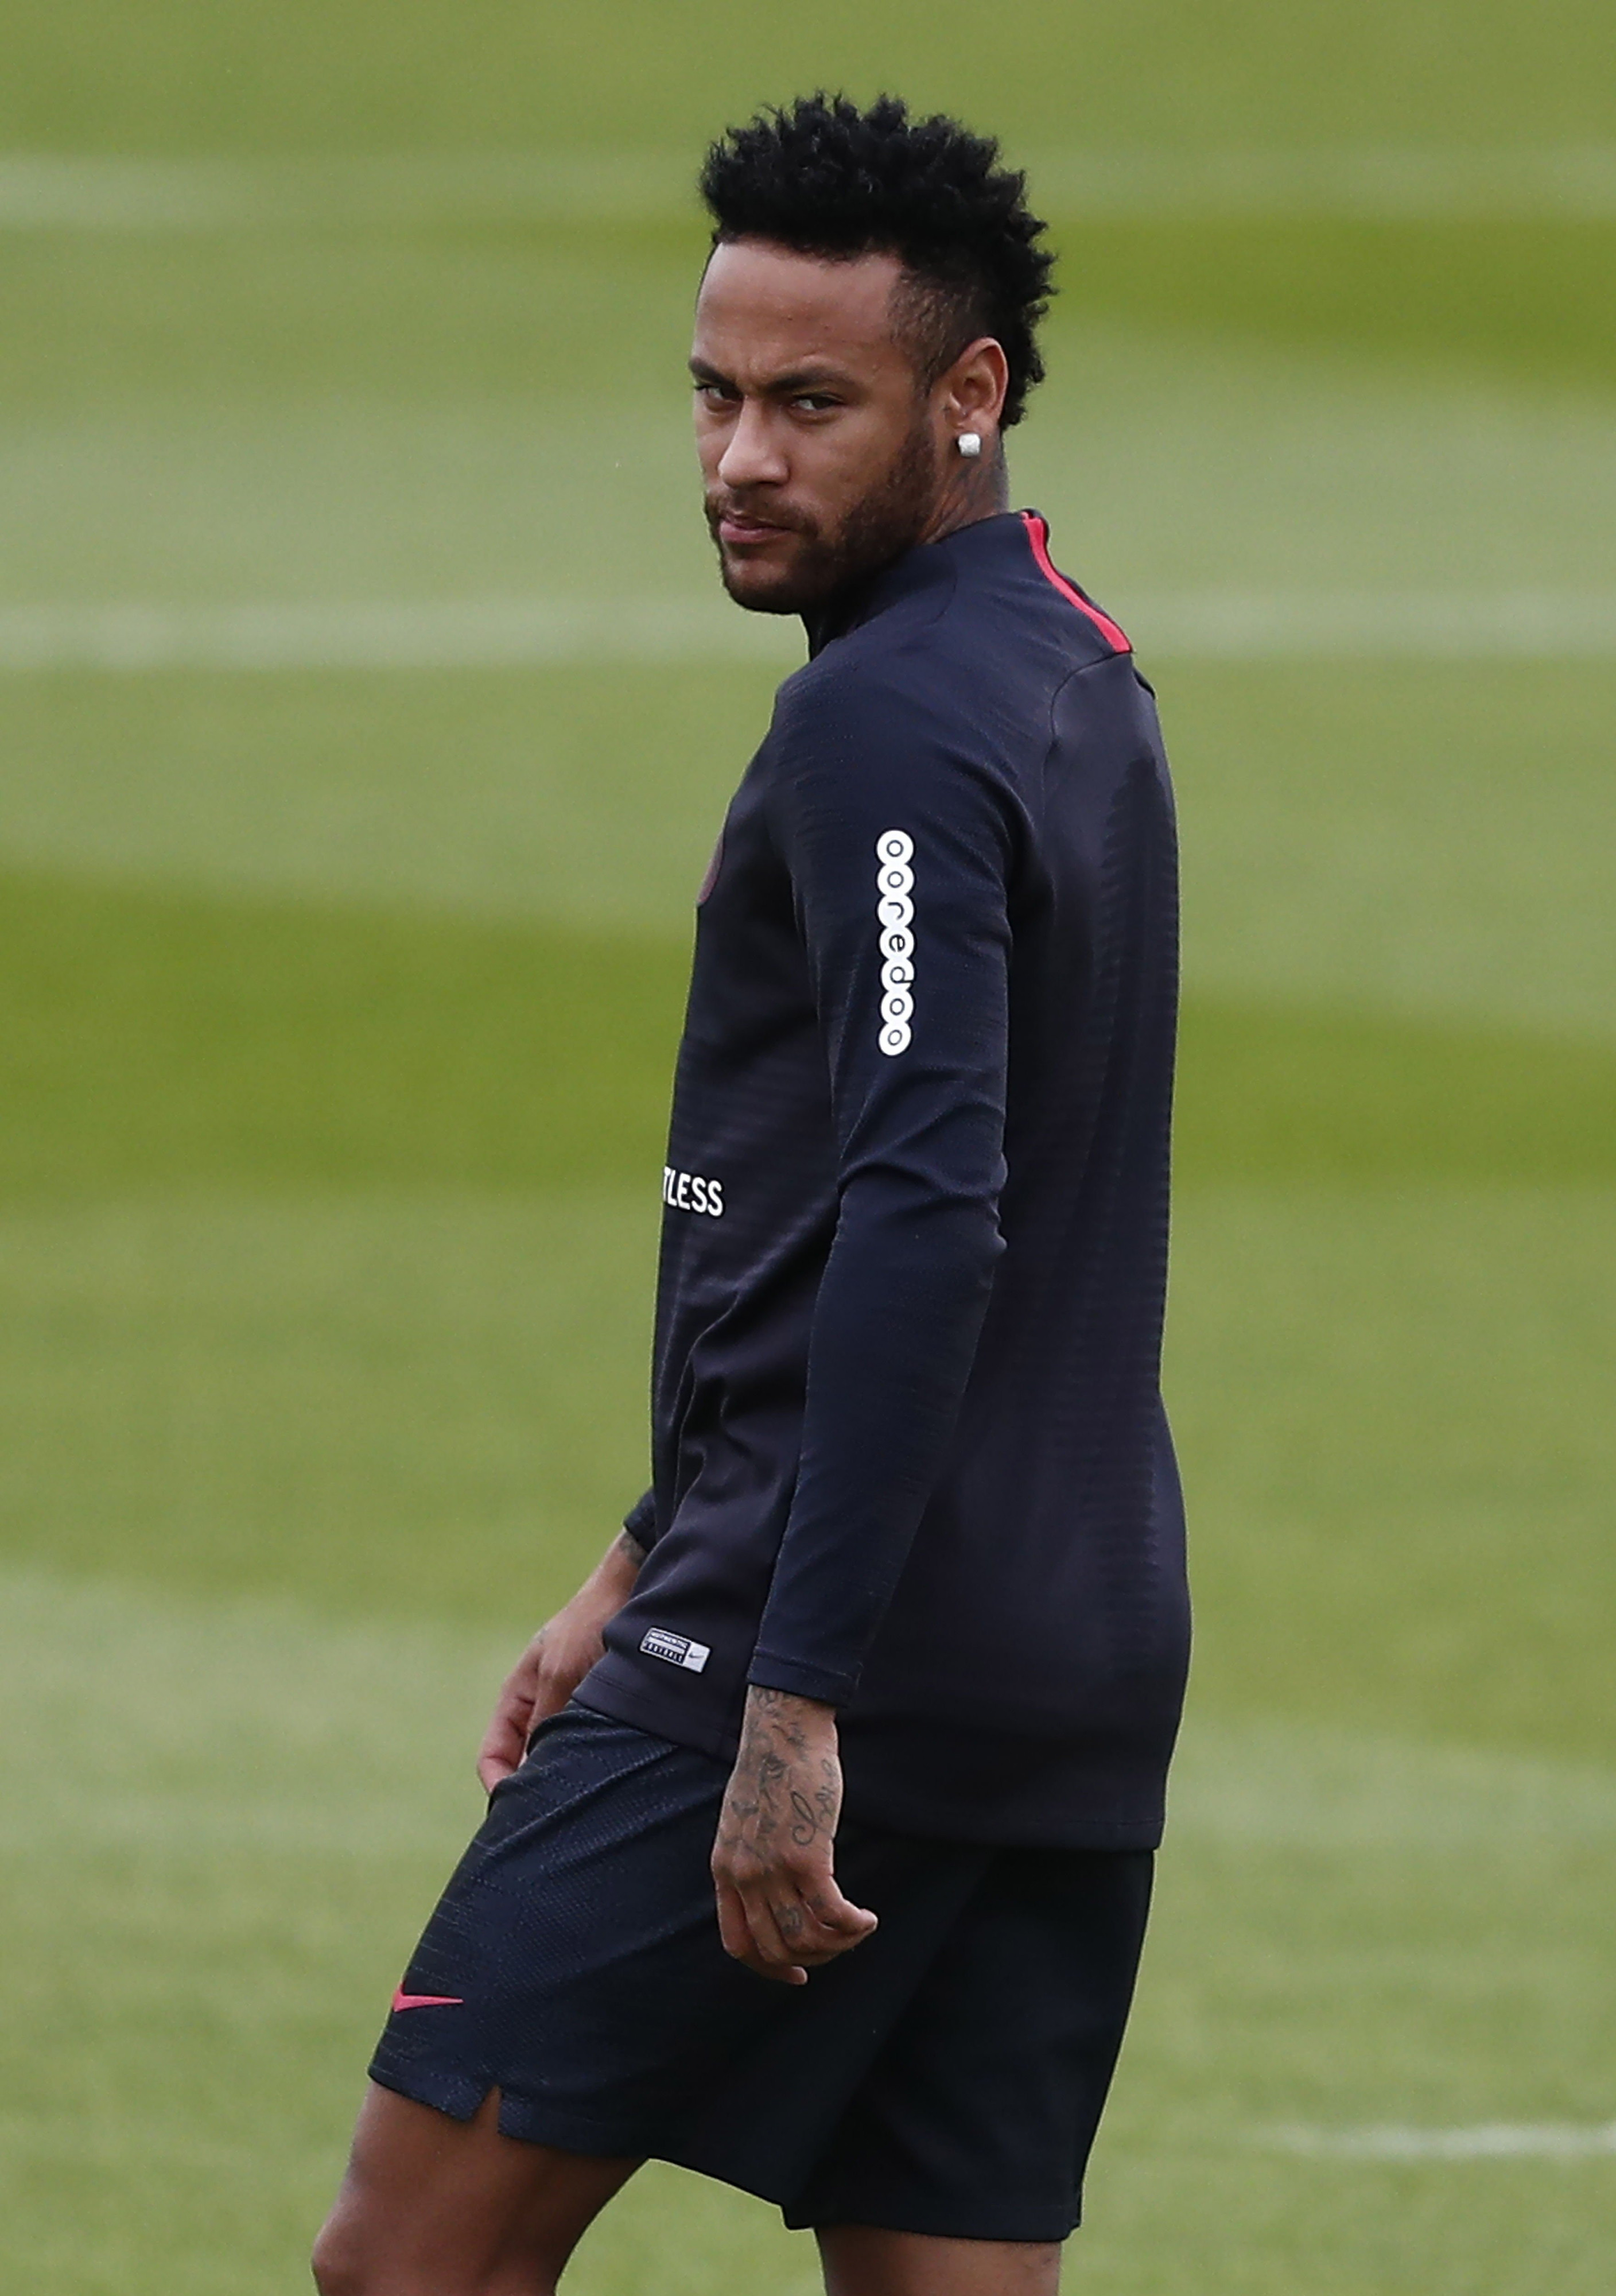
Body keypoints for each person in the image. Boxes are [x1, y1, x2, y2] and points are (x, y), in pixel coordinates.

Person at [313, 91, 1190, 2296]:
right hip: (1067, 1651)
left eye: (815, 404)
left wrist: (787, 1703)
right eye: (713, 395)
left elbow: (923, 1215)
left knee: (404, 2267)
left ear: (969, 395)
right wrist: (634, 1551)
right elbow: (858, 1218)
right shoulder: (1075, 668)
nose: (739, 459)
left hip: (830, 1654)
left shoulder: (884, 728)